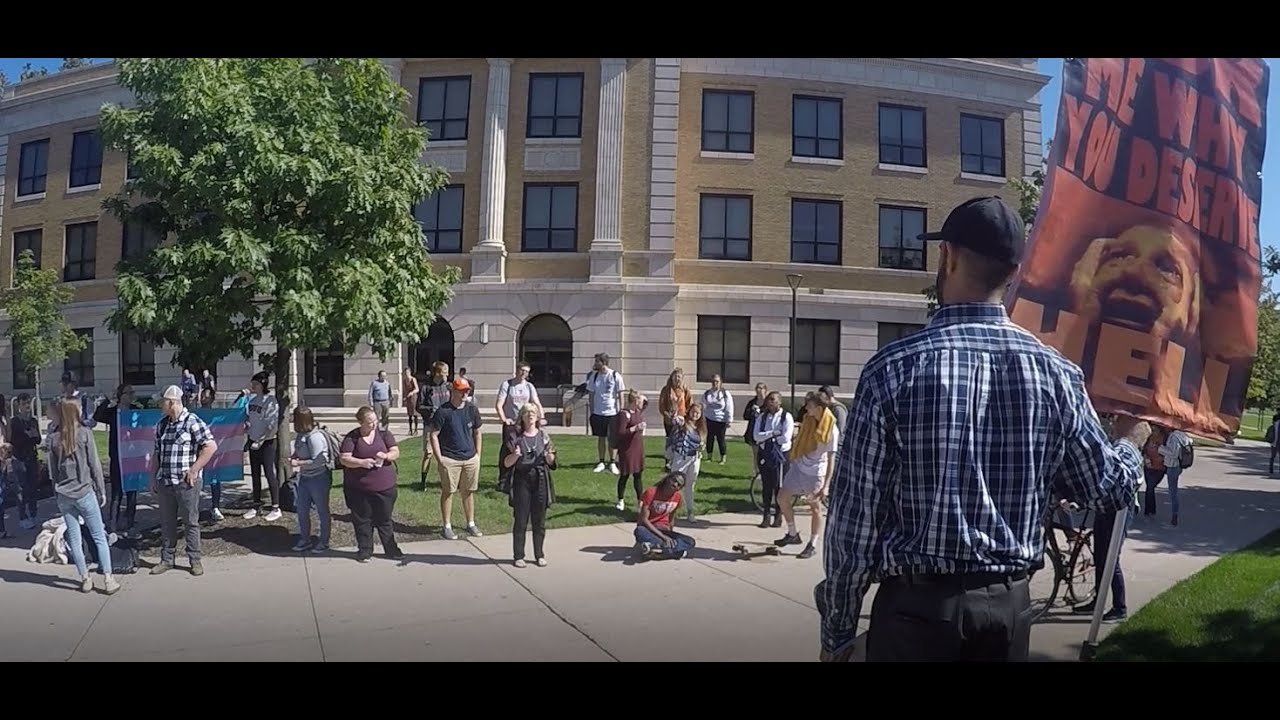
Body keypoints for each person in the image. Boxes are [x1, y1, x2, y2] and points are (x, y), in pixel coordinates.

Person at [816, 196, 1147, 663]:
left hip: (915, 616)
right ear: (1014, 272)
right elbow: (1101, 487)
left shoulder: (893, 370)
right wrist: (1132, 441)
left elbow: (854, 526)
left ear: (946, 256)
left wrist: (837, 631)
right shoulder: (1056, 374)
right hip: (1006, 615)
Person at [48, 399, 119, 594]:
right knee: (99, 536)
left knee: (74, 538)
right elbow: (95, 465)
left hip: (64, 493)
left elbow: (53, 471)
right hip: (84, 491)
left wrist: (56, 490)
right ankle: (108, 578)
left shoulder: (53, 438)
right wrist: (101, 489)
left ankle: (85, 578)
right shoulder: (85, 434)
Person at [150, 385, 219, 577]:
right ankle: (167, 559)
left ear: (171, 402)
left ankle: (195, 560)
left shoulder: (192, 421)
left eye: (162, 401)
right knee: (167, 522)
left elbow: (211, 446)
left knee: (190, 522)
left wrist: (194, 469)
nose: (160, 405)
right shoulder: (162, 424)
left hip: (186, 483)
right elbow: (156, 453)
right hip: (165, 481)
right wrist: (152, 477)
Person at [775, 392, 839, 560]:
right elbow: (802, 439)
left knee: (814, 508)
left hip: (816, 473)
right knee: (782, 498)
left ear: (819, 408)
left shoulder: (831, 428)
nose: (806, 408)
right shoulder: (808, 420)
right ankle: (792, 534)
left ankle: (812, 544)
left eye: (809, 406)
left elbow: (832, 459)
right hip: (799, 466)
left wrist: (826, 486)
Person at [339, 407, 403, 562]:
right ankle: (365, 550)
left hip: (384, 487)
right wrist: (361, 462)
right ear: (361, 422)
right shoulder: (352, 438)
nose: (374, 425)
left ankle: (391, 549)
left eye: (375, 421)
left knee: (384, 519)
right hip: (358, 489)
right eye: (369, 422)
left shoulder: (384, 435)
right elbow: (344, 458)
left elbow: (396, 452)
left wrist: (386, 455)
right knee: (362, 520)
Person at [502, 402, 557, 568]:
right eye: (527, 412)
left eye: (533, 412)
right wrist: (515, 456)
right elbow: (505, 463)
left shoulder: (544, 436)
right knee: (521, 519)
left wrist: (549, 456)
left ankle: (539, 554)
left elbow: (552, 462)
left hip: (540, 478)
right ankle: (519, 555)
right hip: (522, 479)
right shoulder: (515, 438)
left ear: (537, 416)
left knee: (539, 520)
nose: (530, 415)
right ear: (522, 417)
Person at [430, 377, 484, 540]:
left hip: (470, 458)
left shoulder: (472, 410)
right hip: (450, 459)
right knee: (448, 492)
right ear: (452, 391)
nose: (464, 394)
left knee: (468, 492)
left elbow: (477, 432)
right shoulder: (443, 411)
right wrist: (440, 459)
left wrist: (477, 455)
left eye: (466, 391)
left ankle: (471, 523)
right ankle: (446, 525)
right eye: (461, 391)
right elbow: (434, 435)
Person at [93, 384, 144, 531]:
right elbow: (97, 416)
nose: (131, 395)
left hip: (132, 457)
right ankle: (113, 524)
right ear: (121, 395)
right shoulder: (113, 412)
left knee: (132, 492)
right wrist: (106, 401)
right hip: (117, 457)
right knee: (117, 492)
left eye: (132, 392)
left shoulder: (136, 411)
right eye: (128, 393)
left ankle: (130, 523)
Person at [496, 361, 544, 491]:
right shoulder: (508, 385)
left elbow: (536, 402)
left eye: (527, 371)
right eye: (522, 370)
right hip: (511, 423)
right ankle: (503, 480)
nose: (524, 373)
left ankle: (522, 477)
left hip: (525, 422)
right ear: (516, 370)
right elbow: (499, 404)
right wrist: (504, 419)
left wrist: (542, 417)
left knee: (525, 449)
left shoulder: (529, 386)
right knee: (508, 450)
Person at [289, 407, 332, 553]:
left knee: (322, 510)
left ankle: (324, 541)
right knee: (301, 510)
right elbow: (299, 450)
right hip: (304, 478)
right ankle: (305, 539)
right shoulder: (301, 435)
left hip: (318, 477)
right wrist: (295, 456)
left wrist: (299, 463)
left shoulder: (315, 437)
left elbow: (319, 460)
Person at [753, 391, 794, 529]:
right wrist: (772, 434)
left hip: (781, 456)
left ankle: (778, 515)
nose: (770, 403)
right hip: (765, 454)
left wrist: (771, 438)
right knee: (766, 486)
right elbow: (756, 436)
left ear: (779, 401)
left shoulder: (786, 417)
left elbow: (786, 437)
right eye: (768, 400)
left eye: (773, 400)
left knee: (779, 486)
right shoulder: (762, 417)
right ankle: (766, 515)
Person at [244, 372, 282, 521]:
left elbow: (271, 425)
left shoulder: (270, 401)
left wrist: (261, 439)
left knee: (269, 473)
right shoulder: (252, 400)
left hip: (267, 443)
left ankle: (275, 507)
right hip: (253, 441)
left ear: (262, 385)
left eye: (256, 384)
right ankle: (256, 505)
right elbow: (249, 419)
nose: (253, 386)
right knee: (255, 474)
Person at [634, 471, 695, 560]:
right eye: (674, 480)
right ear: (667, 479)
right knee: (639, 531)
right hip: (648, 528)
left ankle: (656, 548)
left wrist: (669, 535)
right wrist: (664, 538)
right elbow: (644, 519)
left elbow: (671, 518)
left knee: (690, 541)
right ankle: (670, 551)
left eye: (679, 485)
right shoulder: (651, 492)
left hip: (664, 529)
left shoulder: (678, 497)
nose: (675, 484)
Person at [586, 353, 625, 475]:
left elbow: (620, 394)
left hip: (612, 412)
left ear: (603, 363)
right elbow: (591, 394)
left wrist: (621, 411)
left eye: (597, 361)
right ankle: (601, 461)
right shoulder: (594, 376)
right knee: (601, 437)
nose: (595, 363)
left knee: (612, 439)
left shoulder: (615, 375)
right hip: (598, 412)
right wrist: (592, 411)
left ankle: (612, 462)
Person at [6, 393, 41, 530]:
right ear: (19, 405)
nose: (27, 406)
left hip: (31, 457)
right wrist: (29, 436)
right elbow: (15, 440)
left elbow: (37, 439)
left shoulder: (33, 421)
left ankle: (33, 513)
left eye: (28, 403)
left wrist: (32, 436)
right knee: (21, 488)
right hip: (19, 458)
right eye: (24, 403)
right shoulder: (15, 422)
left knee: (33, 487)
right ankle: (22, 516)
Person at [666, 403, 705, 521]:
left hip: (694, 459)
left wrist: (701, 447)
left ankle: (690, 511)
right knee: (674, 485)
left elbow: (702, 442)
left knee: (690, 486)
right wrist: (674, 415)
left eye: (698, 413)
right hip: (681, 458)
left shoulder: (701, 428)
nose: (695, 415)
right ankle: (668, 510)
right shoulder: (683, 423)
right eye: (693, 412)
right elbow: (676, 421)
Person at [417, 361, 452, 489]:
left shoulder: (449, 387)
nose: (447, 375)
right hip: (431, 425)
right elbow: (419, 406)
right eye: (444, 373)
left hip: (446, 425)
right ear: (437, 373)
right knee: (428, 453)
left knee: (446, 453)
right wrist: (431, 409)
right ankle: (423, 482)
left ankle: (446, 481)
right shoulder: (426, 387)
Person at [613, 390, 647, 511]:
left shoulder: (638, 412)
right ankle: (620, 500)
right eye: (639, 400)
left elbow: (646, 403)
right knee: (625, 475)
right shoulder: (624, 414)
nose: (642, 403)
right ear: (635, 401)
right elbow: (620, 432)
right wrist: (634, 428)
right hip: (627, 449)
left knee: (638, 475)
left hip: (637, 447)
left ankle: (640, 501)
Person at [1156, 426, 1193, 527]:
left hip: (1173, 466)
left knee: (1173, 491)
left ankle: (1174, 514)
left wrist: (1160, 449)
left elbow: (1173, 453)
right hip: (1179, 465)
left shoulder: (1174, 437)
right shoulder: (1183, 436)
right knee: (1173, 490)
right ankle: (1174, 512)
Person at [702, 375, 734, 464]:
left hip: (721, 420)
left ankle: (722, 458)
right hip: (709, 419)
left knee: (721, 439)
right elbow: (703, 406)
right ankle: (709, 456)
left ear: (720, 382)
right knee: (710, 438)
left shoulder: (725, 393)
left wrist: (729, 420)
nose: (715, 383)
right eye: (713, 381)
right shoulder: (707, 393)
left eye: (717, 381)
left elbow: (729, 407)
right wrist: (703, 418)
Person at [742, 383, 768, 479]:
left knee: (765, 453)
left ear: (765, 390)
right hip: (753, 430)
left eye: (761, 388)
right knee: (756, 453)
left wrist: (761, 412)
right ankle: (757, 472)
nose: (759, 390)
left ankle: (765, 472)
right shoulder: (752, 402)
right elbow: (745, 416)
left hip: (765, 431)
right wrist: (752, 412)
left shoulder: (768, 403)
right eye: (757, 388)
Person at [659, 369, 692, 437]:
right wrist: (666, 414)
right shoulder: (666, 390)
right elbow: (662, 404)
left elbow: (689, 403)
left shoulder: (685, 390)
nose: (677, 379)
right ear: (672, 378)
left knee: (681, 439)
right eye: (675, 377)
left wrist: (687, 415)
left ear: (682, 378)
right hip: (670, 420)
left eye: (679, 377)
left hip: (682, 419)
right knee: (670, 439)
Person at [402, 367, 420, 435]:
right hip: (408, 398)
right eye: (405, 373)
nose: (406, 374)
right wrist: (404, 397)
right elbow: (404, 390)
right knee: (409, 414)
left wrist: (411, 393)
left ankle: (416, 429)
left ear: (409, 372)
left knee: (414, 413)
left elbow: (417, 389)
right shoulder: (404, 380)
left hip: (413, 397)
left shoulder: (413, 379)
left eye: (407, 372)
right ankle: (410, 429)